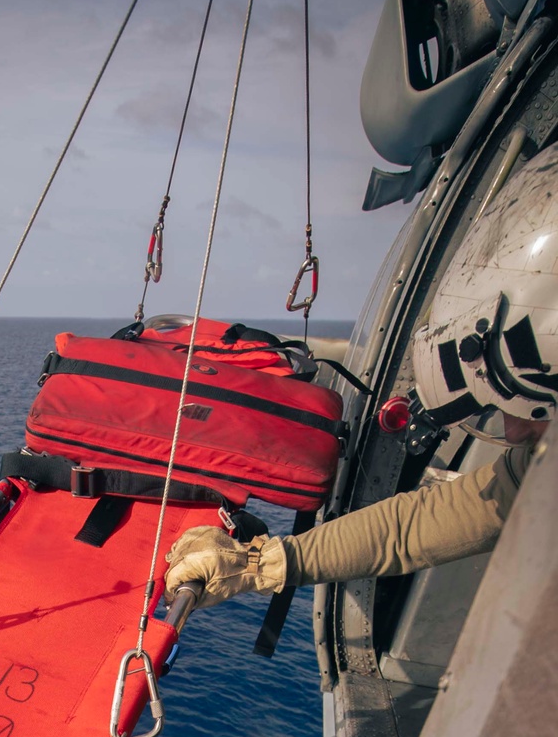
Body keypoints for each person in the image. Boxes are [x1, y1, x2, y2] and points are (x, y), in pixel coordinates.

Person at [165, 146, 557, 609]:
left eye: (536, 405)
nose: (512, 431)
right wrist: (258, 564)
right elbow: (419, 525)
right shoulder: (538, 469)